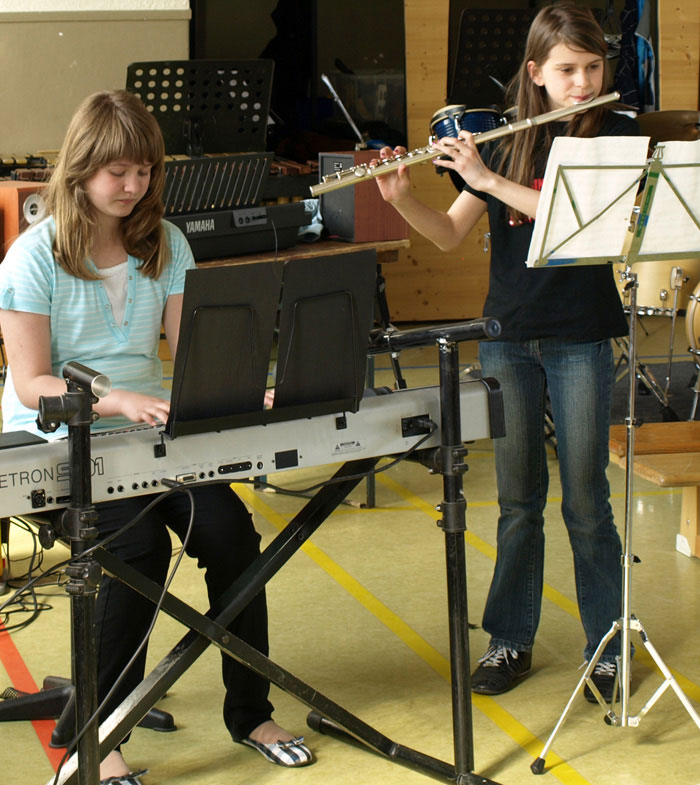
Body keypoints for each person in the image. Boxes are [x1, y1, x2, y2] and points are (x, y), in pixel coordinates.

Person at [0, 90, 313, 784]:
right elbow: (30, 383)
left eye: (144, 170)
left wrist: (235, 388)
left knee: (234, 537)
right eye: (118, 172)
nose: (134, 185)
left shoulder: (168, 242)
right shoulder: (33, 258)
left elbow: (192, 351)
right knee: (135, 546)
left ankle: (250, 711)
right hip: (56, 439)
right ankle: (100, 738)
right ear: (80, 169)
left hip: (146, 430)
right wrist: (113, 397)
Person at [374, 4, 637, 702]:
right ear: (536, 74)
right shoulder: (508, 140)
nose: (582, 81)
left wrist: (486, 179)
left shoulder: (613, 134)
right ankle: (509, 639)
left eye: (591, 67)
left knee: (586, 500)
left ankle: (607, 644)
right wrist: (401, 199)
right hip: (508, 337)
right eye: (566, 70)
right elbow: (448, 235)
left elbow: (590, 224)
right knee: (517, 499)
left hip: (581, 333)